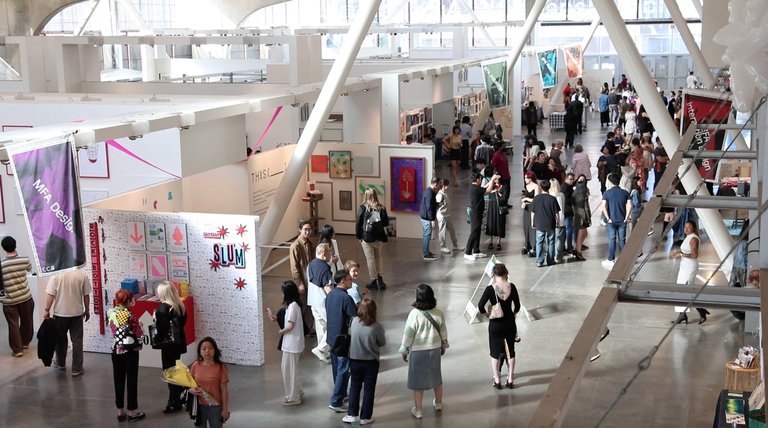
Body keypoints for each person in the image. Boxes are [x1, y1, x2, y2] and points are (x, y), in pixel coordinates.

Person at [400, 284, 448, 420]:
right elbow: (443, 331)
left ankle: (419, 410)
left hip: (418, 351)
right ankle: (438, 403)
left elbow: (408, 334)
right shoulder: (438, 312)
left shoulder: (414, 314)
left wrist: (404, 349)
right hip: (434, 349)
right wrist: (443, 346)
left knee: (417, 381)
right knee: (436, 377)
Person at [343, 297, 386, 425]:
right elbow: (382, 342)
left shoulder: (354, 321)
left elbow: (350, 334)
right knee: (369, 389)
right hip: (371, 362)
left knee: (355, 386)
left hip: (354, 360)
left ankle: (352, 414)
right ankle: (366, 417)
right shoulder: (377, 326)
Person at [477, 263, 521, 389]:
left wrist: (486, 314)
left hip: (495, 325)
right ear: (505, 273)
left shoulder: (490, 289)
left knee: (495, 353)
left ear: (494, 274)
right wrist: (512, 313)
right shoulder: (512, 287)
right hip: (509, 324)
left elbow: (480, 306)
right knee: (511, 352)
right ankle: (510, 378)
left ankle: (497, 380)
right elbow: (517, 306)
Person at [108, 290, 145, 423]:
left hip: (116, 350)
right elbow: (138, 333)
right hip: (130, 351)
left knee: (118, 379)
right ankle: (132, 411)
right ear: (128, 301)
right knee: (131, 380)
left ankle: (120, 411)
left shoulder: (111, 312)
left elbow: (114, 329)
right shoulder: (130, 315)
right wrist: (140, 326)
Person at [44, 269, 91, 375]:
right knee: (77, 341)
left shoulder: (56, 275)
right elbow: (86, 295)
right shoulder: (82, 274)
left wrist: (46, 310)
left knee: (60, 340)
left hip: (60, 314)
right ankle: (77, 368)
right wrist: (87, 310)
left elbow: (51, 295)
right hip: (77, 314)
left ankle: (60, 363)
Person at [267, 280, 305, 406]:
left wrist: (281, 331)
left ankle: (293, 397)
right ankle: (297, 392)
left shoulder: (293, 306)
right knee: (291, 370)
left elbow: (289, 326)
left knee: (289, 371)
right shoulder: (293, 306)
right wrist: (273, 316)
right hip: (292, 344)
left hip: (292, 344)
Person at [326, 269, 357, 413]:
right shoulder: (346, 298)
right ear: (343, 281)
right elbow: (354, 317)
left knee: (336, 369)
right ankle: (336, 400)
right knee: (343, 370)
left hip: (332, 338)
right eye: (350, 279)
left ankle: (341, 394)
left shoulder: (330, 295)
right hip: (343, 339)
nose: (352, 281)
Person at [155, 281, 188, 412]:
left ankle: (175, 400)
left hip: (168, 346)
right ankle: (176, 398)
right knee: (175, 370)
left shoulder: (162, 309)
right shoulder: (180, 306)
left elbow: (161, 330)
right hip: (177, 343)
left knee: (169, 372)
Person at [1, 236, 34, 358]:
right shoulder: (25, 260)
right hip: (25, 297)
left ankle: (17, 350)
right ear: (15, 245)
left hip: (9, 300)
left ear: (3, 248)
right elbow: (30, 269)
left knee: (13, 324)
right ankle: (25, 343)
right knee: (27, 321)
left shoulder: (2, 265)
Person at [671, 221, 710, 325]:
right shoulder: (688, 237)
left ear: (694, 228)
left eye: (689, 227)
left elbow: (694, 255)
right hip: (684, 267)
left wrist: (681, 254)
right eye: (685, 227)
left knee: (686, 290)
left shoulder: (693, 238)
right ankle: (683, 314)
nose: (686, 229)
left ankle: (699, 310)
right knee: (681, 289)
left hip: (690, 268)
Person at [189, 337, 230, 426]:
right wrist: (191, 390)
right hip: (199, 406)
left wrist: (225, 409)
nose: (207, 351)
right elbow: (189, 384)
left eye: (210, 348)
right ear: (200, 351)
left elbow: (224, 390)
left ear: (215, 350)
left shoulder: (220, 367)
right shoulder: (195, 365)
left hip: (215, 407)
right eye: (204, 348)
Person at [355, 189, 389, 290]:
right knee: (378, 257)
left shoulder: (362, 208)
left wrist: (359, 236)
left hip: (367, 237)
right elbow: (386, 223)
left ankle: (373, 280)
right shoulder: (381, 208)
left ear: (365, 196)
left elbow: (358, 224)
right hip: (378, 237)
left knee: (370, 259)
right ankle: (381, 280)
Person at [307, 243, 334, 363]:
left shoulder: (311, 264)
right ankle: (321, 348)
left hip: (313, 301)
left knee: (320, 327)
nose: (330, 254)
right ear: (324, 254)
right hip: (323, 302)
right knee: (334, 325)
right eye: (329, 252)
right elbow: (327, 287)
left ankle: (323, 352)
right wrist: (335, 299)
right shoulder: (325, 268)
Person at [465, 172, 499, 261]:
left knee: (478, 231)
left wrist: (490, 181)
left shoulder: (475, 188)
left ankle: (476, 250)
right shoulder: (475, 189)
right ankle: (467, 252)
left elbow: (484, 189)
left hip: (478, 212)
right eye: (480, 179)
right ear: (477, 180)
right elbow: (487, 191)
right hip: (475, 213)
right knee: (474, 232)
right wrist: (492, 180)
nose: (481, 180)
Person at [289, 220, 315, 334]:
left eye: (309, 229)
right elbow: (294, 267)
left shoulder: (310, 243)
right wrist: (300, 283)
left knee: (310, 305)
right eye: (305, 229)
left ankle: (308, 328)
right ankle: (301, 329)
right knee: (302, 305)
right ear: (300, 230)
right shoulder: (296, 246)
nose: (307, 232)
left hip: (310, 279)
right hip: (303, 281)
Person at [601, 173, 631, 268]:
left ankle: (611, 259)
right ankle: (624, 259)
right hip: (622, 220)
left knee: (612, 240)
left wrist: (608, 218)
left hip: (611, 221)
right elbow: (630, 205)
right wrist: (626, 217)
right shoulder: (625, 193)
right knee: (622, 240)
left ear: (610, 182)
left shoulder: (606, 193)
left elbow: (603, 206)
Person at [531, 180, 560, 267]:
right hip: (550, 223)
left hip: (540, 223)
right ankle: (550, 260)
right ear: (549, 187)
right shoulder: (552, 199)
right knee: (551, 242)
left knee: (539, 242)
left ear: (540, 187)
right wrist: (558, 222)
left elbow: (533, 212)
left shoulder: (536, 198)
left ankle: (539, 261)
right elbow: (556, 213)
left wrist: (532, 222)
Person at [485, 170, 508, 252]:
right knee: (491, 223)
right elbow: (484, 188)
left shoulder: (504, 186)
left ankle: (499, 242)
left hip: (500, 207)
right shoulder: (492, 185)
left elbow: (505, 198)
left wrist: (498, 193)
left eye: (496, 178)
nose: (495, 180)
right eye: (494, 178)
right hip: (492, 206)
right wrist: (491, 181)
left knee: (500, 224)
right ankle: (490, 242)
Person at [436, 179, 461, 254]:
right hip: (442, 215)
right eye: (447, 185)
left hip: (447, 214)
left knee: (452, 230)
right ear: (443, 186)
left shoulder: (444, 193)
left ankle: (455, 246)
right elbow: (438, 206)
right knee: (442, 231)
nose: (448, 187)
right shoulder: (440, 195)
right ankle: (442, 247)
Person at [419, 177, 440, 261]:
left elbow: (430, 204)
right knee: (427, 235)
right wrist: (432, 220)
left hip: (425, 216)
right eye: (438, 185)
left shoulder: (430, 191)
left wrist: (437, 204)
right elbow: (428, 207)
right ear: (435, 184)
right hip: (426, 218)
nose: (439, 186)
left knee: (426, 234)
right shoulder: (429, 193)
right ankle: (426, 254)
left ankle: (426, 251)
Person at [520, 171, 539, 256]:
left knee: (532, 227)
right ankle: (527, 244)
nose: (525, 179)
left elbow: (536, 199)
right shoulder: (526, 186)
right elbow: (524, 197)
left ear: (530, 178)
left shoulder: (536, 187)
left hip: (533, 208)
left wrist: (526, 199)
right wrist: (524, 201)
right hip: (526, 208)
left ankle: (534, 246)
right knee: (526, 226)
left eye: (526, 178)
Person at [572, 175, 591, 261]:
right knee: (581, 234)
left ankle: (577, 249)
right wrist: (588, 218)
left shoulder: (574, 194)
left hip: (577, 215)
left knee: (583, 233)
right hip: (582, 216)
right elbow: (586, 208)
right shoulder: (583, 196)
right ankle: (578, 251)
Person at [549, 179, 566, 263]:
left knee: (551, 239)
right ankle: (558, 256)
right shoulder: (561, 195)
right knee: (559, 239)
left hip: (551, 219)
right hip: (561, 219)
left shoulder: (549, 195)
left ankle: (551, 255)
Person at [490, 140, 511, 205]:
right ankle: (502, 204)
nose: (505, 147)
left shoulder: (503, 154)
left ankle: (506, 203)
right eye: (503, 146)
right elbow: (493, 166)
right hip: (501, 176)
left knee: (507, 191)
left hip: (506, 175)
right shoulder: (496, 155)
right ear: (499, 147)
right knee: (504, 191)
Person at [561, 173, 576, 255]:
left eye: (573, 179)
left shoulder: (568, 187)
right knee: (568, 230)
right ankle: (569, 247)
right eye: (570, 179)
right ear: (566, 179)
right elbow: (567, 200)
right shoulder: (565, 188)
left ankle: (566, 246)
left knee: (568, 230)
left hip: (568, 211)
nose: (572, 181)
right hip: (567, 212)